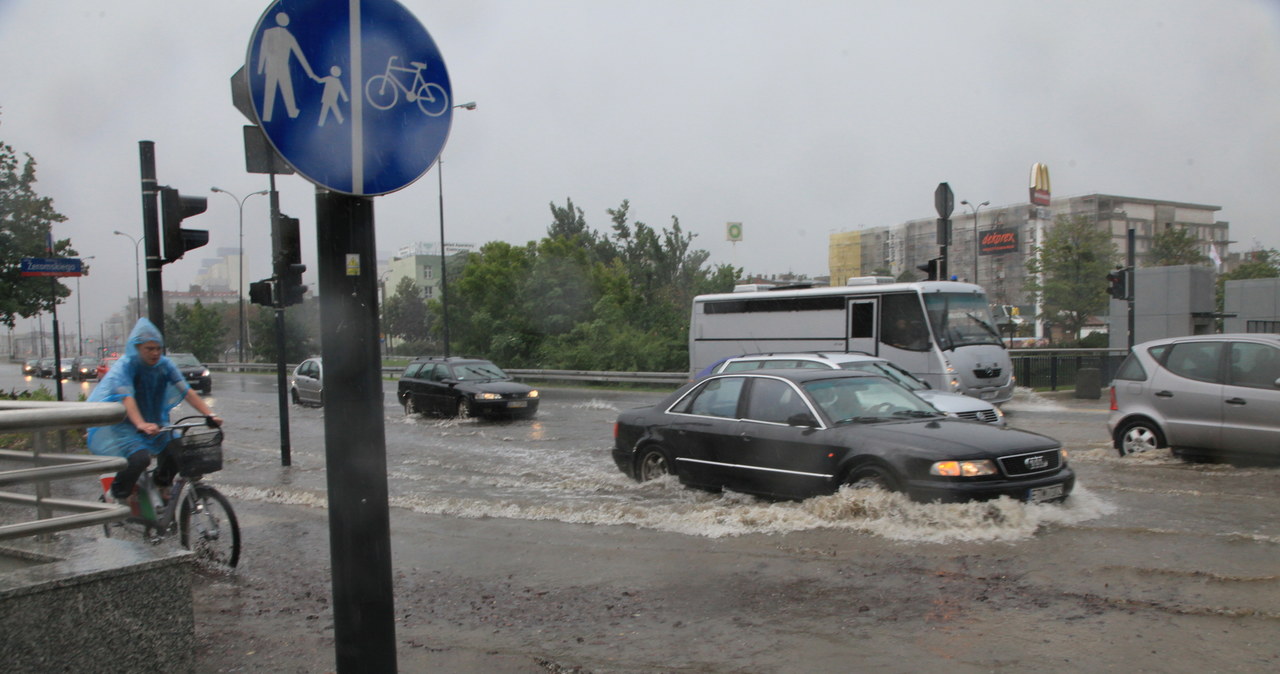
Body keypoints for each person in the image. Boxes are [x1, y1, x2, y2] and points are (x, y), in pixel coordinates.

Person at [89, 318, 222, 502]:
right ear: (137, 348)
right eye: (149, 349)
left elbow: (187, 391)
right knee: (140, 458)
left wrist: (209, 414)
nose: (155, 353)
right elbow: (127, 398)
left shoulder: (165, 365)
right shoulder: (126, 367)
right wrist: (140, 423)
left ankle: (161, 483)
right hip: (127, 425)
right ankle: (117, 493)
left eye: (158, 348)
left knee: (179, 449)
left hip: (156, 422)